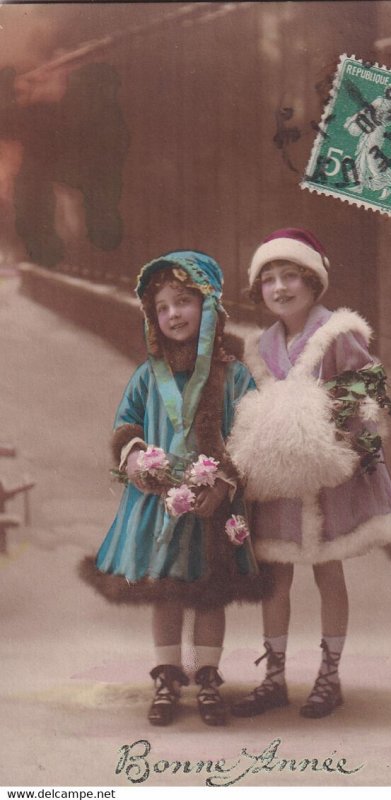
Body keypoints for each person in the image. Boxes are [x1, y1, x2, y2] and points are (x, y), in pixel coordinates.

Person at [228, 228, 391, 719]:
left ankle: (329, 675)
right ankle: (274, 676)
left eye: (291, 275)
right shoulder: (261, 345)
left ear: (313, 280)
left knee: (327, 569)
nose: (279, 287)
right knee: (275, 576)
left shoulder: (337, 334)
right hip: (280, 478)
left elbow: (367, 391)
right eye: (268, 279)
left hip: (327, 471)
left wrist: (341, 431)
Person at [80, 250, 267, 727]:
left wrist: (224, 482)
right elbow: (126, 424)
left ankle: (207, 675)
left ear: (208, 308)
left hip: (213, 503)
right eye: (161, 308)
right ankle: (167, 676)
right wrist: (137, 455)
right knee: (165, 590)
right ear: (151, 318)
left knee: (209, 591)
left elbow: (250, 434)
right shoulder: (147, 375)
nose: (173, 315)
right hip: (159, 504)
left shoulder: (234, 375)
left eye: (183, 302)